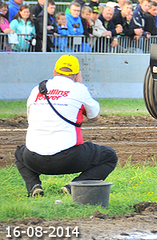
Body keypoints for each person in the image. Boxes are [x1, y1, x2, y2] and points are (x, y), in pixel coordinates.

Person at [14, 55, 118, 197]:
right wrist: (79, 86)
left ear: (55, 71)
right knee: (109, 156)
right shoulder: (78, 89)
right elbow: (95, 116)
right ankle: (73, 187)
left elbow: (30, 117)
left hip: (33, 159)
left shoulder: (37, 89)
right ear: (77, 74)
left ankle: (33, 186)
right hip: (67, 159)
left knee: (19, 152)